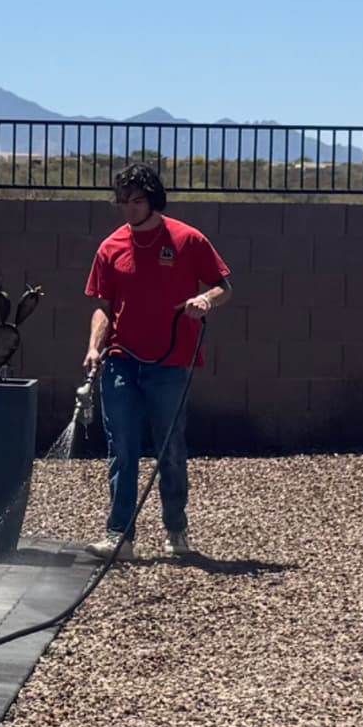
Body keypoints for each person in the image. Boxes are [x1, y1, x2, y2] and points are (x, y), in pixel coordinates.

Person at [81, 157, 228, 556]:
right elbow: (102, 305)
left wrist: (205, 300)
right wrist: (95, 346)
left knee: (170, 449)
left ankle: (176, 530)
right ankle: (120, 536)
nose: (128, 208)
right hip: (121, 360)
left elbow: (222, 286)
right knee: (122, 449)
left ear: (153, 200)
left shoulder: (188, 240)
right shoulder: (110, 247)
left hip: (170, 363)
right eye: (122, 201)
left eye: (135, 200)